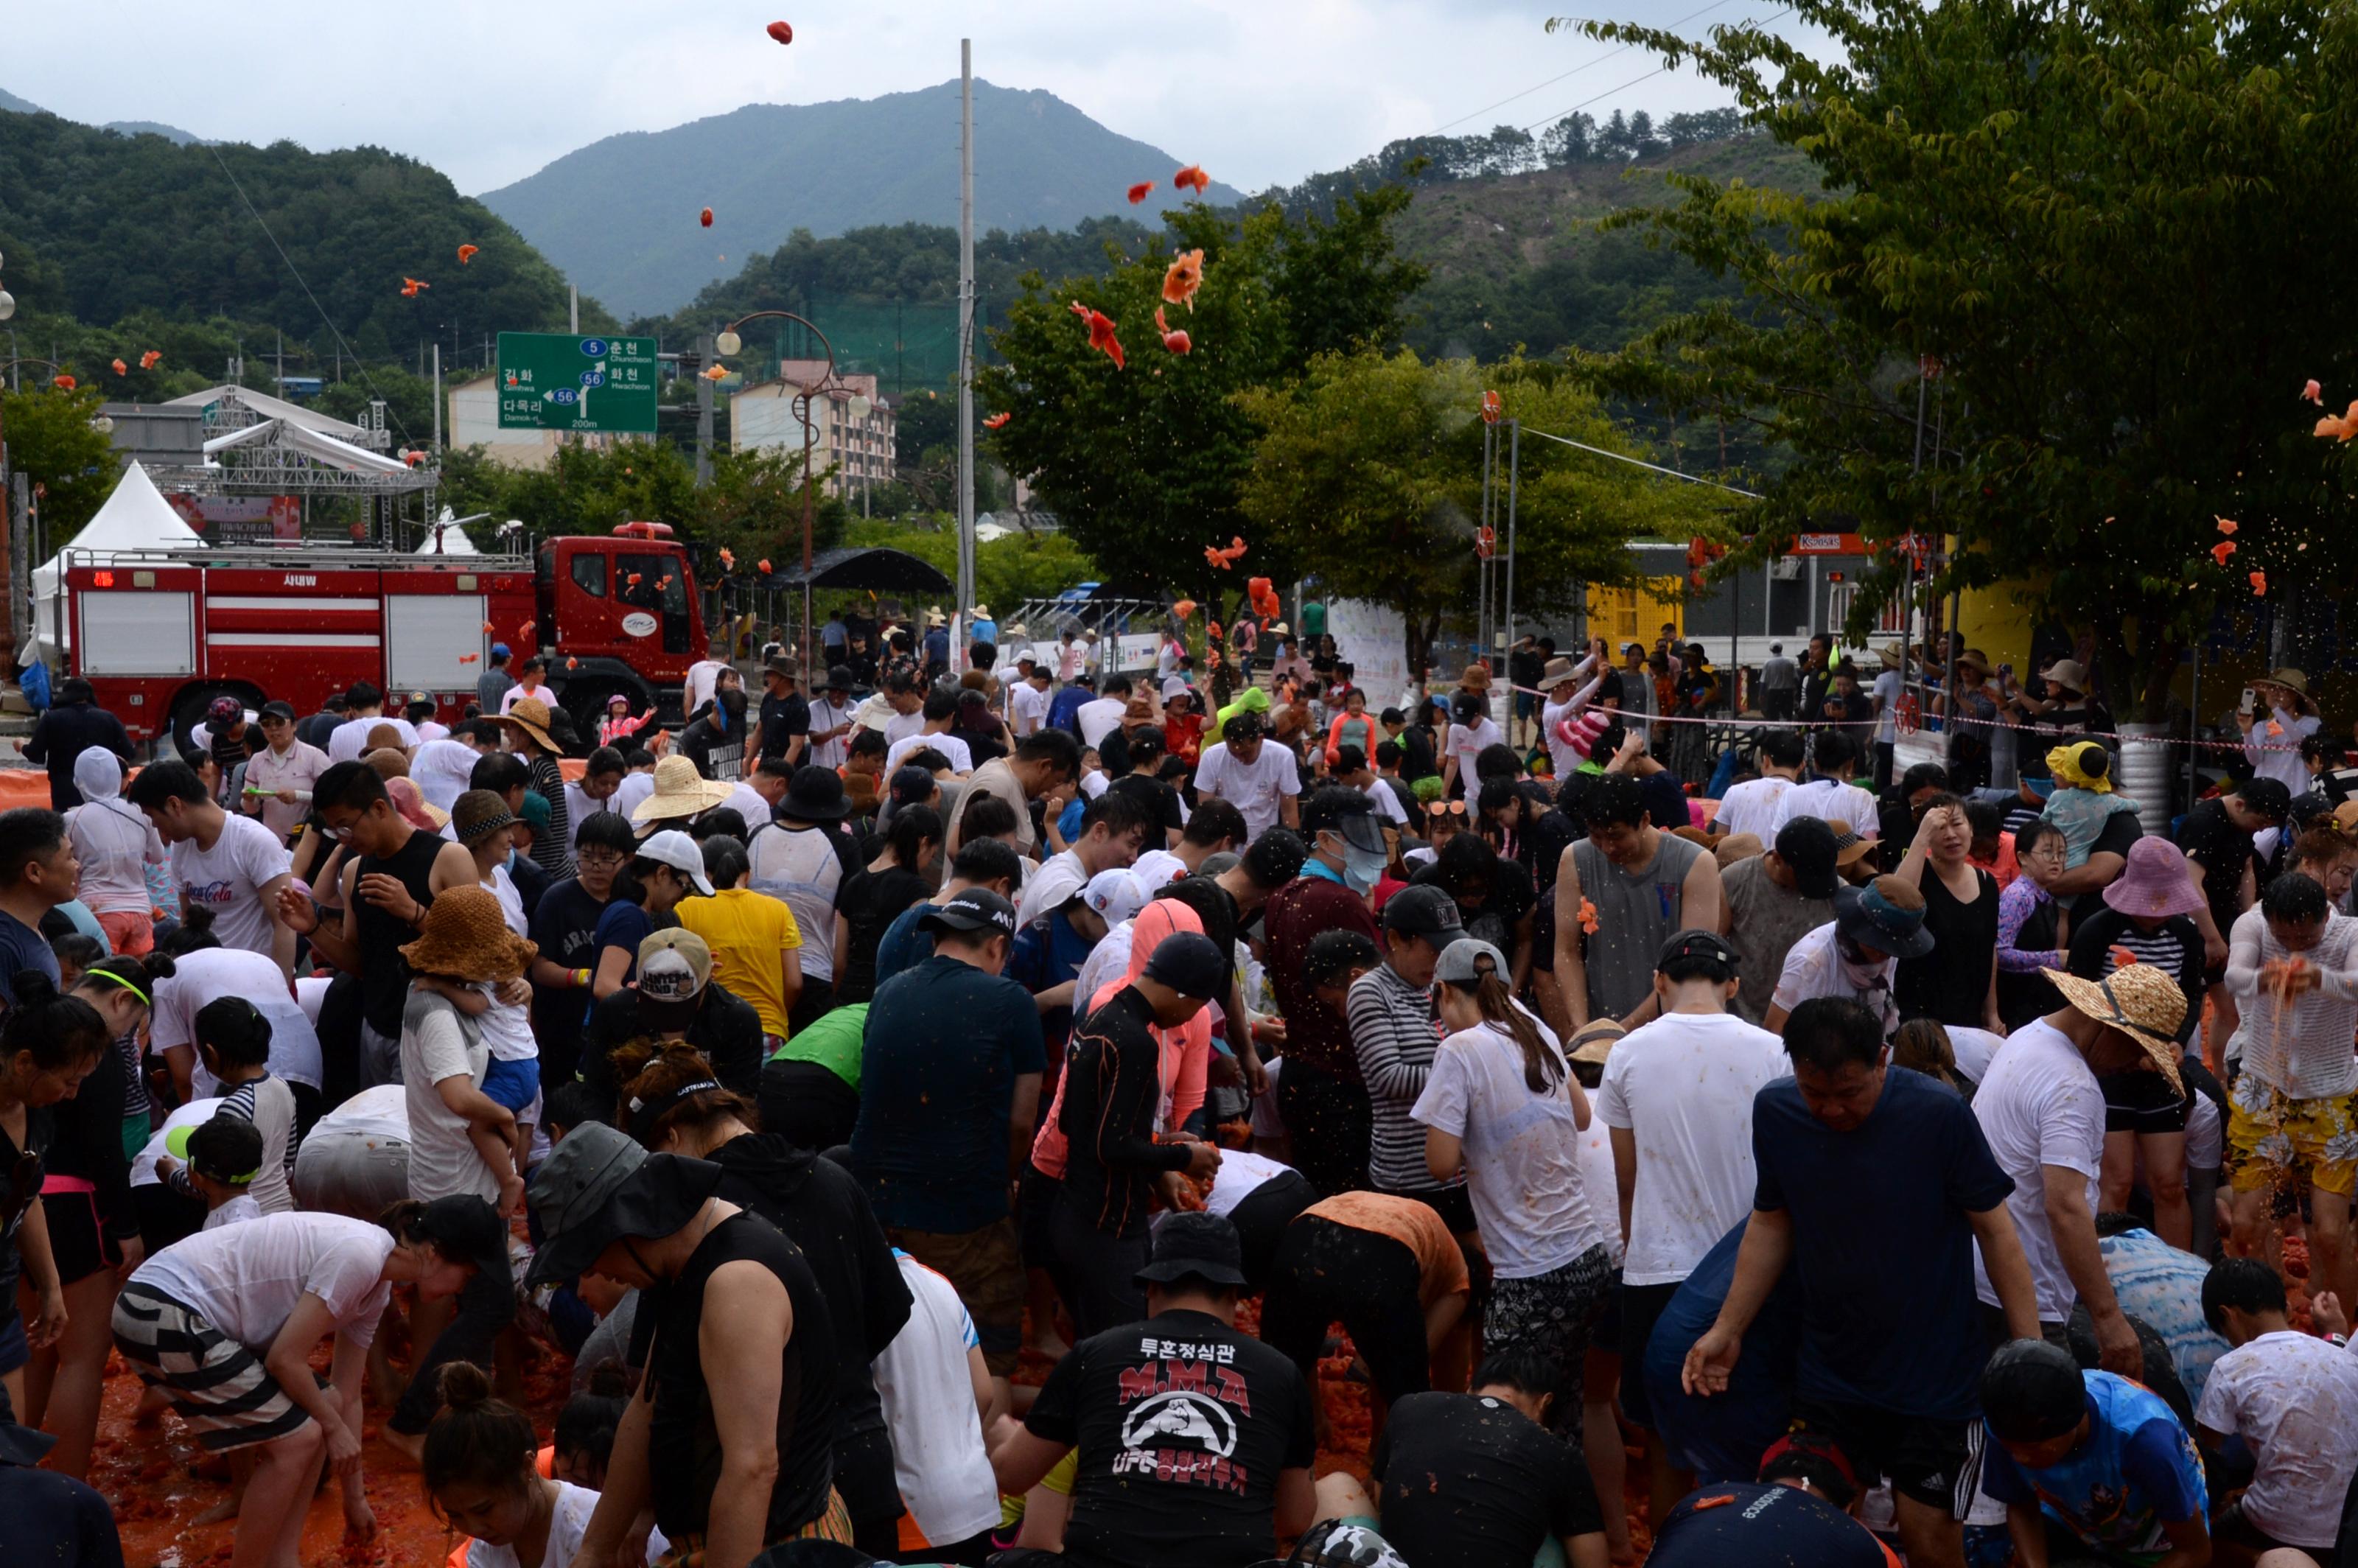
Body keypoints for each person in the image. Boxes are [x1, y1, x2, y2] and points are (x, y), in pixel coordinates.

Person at [1684, 996, 2043, 1568]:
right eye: (1814, 1092)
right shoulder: (1777, 1113)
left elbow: (1995, 1232)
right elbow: (1772, 1220)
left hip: (1935, 1381)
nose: (1829, 1109)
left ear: (1882, 1060)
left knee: (1928, 1541)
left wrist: (2028, 1355)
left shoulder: (1938, 1114)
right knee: (1798, 1519)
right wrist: (1728, 1328)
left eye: (1848, 1092)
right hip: (1831, 1371)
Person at [616, 1046, 915, 1558]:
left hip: (762, 1507)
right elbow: (888, 1314)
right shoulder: (835, 1180)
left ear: (669, 1139)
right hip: (861, 1467)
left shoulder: (693, 1225)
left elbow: (656, 1389)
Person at [114, 1198, 505, 1568]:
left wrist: (355, 1499)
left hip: (171, 1312)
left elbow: (347, 1396)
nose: (462, 1289)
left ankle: (283, 1559)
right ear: (437, 1253)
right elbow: (285, 1358)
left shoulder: (376, 1284)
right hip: (158, 1309)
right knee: (298, 1438)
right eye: (467, 1275)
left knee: (326, 1406)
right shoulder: (362, 1256)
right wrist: (332, 1430)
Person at [527, 1124, 849, 1566]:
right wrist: (597, 1547)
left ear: (625, 1225)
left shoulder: (735, 1283)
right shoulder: (680, 1261)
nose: (597, 1271)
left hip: (773, 1548)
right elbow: (649, 1405)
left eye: (589, 1255)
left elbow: (752, 1469)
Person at [987, 1211, 1317, 1568]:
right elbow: (1295, 1518)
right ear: (1234, 1294)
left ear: (1153, 1287)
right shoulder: (1280, 1372)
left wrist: (1006, 1434)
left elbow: (1012, 1475)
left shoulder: (1096, 1354)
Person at [1596, 930, 1791, 1516]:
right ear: (1733, 985)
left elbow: (1626, 1180)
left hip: (1658, 1269)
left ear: (1659, 984)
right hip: (1751, 1271)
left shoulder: (1627, 1053)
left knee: (1665, 1438)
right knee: (1757, 1432)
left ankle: (1671, 1549)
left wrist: (1637, 1251)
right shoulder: (1772, 1051)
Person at [850, 888, 1044, 1392]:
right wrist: (1006, 1180)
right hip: (964, 1211)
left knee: (893, 1340)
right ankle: (981, 1450)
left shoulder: (888, 991)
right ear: (999, 946)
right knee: (989, 1340)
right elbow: (1023, 1119)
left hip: (879, 1206)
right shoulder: (1011, 1001)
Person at [1052, 930, 1227, 1338]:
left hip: (1072, 1210)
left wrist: (1165, 1143)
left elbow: (1074, 1123)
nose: (1190, 1019)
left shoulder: (1098, 1016)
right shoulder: (1135, 1043)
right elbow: (1111, 1146)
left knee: (1091, 1341)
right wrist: (1184, 1159)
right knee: (1123, 1351)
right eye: (1198, 1007)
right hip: (1107, 1227)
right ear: (1184, 995)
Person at [275, 761, 479, 1085]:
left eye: (346, 826)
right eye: (334, 831)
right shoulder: (356, 869)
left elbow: (476, 954)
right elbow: (360, 964)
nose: (343, 838)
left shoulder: (448, 858)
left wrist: (415, 912)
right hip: (375, 1029)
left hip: (435, 1029)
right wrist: (313, 929)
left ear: (379, 808)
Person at [1342, 1345, 1610, 1568]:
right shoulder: (1559, 1452)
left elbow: (1383, 1499)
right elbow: (1593, 1562)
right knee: (1552, 1543)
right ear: (1544, 1403)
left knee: (1338, 1485)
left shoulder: (1409, 1406)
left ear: (1471, 1389)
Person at [2225, 869, 2358, 1312]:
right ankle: (2269, 1316)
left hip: (2333, 1098)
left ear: (2325, 917)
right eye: (2285, 937)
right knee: (2245, 1226)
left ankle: (2329, 1327)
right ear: (2269, 918)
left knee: (2331, 1235)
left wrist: (2317, 976)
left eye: (2305, 936)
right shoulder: (2253, 924)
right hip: (2263, 1091)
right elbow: (2235, 978)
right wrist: (2271, 975)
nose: (2294, 945)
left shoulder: (2350, 933)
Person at [1977, 1337, 2210, 1568]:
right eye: (2010, 1447)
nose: (2020, 1459)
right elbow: (2022, 1506)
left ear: (2074, 1422)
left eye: (2033, 1449)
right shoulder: (2004, 1426)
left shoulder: (2142, 1440)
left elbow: (2194, 1551)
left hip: (2161, 1539)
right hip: (2079, 1524)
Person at [422, 1360, 669, 1568]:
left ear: (528, 1467)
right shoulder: (488, 1547)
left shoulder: (583, 1531)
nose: (474, 1528)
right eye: (455, 1515)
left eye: (484, 1510)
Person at [1556, 771, 1723, 1028]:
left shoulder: (1694, 864)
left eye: (1616, 836)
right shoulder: (1576, 858)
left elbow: (1690, 964)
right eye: (1596, 836)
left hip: (1674, 1026)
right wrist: (1584, 1028)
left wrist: (1625, 1030)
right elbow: (1567, 952)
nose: (1607, 847)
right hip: (1602, 1020)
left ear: (1645, 820)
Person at [128, 760, 298, 976]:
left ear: (174, 805)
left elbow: (284, 926)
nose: (153, 825)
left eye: (153, 816)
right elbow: (187, 923)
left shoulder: (254, 841)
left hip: (257, 978)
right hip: (209, 980)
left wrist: (276, 990)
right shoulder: (182, 848)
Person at [578, 928, 766, 1113]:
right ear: (638, 986)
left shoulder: (735, 1018)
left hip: (710, 1127)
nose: (668, 1021)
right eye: (657, 1005)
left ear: (707, 980)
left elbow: (742, 1105)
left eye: (679, 1007)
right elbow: (597, 1095)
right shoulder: (617, 1011)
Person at [1762, 875, 1934, 1037]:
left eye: (1892, 947)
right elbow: (1775, 1032)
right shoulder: (1812, 961)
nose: (1885, 954)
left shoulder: (1889, 951)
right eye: (1878, 943)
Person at [676, 836, 802, 1048]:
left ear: (704, 875)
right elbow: (794, 983)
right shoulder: (778, 910)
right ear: (748, 874)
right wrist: (776, 1011)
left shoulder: (686, 909)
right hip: (766, 1028)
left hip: (706, 1029)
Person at [1892, 794, 2002, 1029]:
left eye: (1957, 824)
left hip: (1969, 1014)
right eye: (1940, 828)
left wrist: (1991, 1012)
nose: (1950, 835)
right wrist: (1921, 837)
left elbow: (1989, 948)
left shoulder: (1987, 882)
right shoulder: (1917, 874)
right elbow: (1897, 902)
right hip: (1919, 1016)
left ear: (1971, 829)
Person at [1718, 817, 1841, 1024]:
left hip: (1809, 1025)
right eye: (1805, 876)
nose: (1813, 884)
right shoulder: (1736, 880)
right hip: (1743, 1019)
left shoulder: (1835, 892)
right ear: (1777, 859)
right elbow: (1716, 947)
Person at [946, 728, 1082, 862]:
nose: (1052, 787)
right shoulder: (996, 784)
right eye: (1057, 780)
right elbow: (956, 850)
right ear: (1044, 766)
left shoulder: (1013, 783)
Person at [22, 679, 132, 813]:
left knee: (67, 829)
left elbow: (36, 756)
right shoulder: (108, 718)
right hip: (104, 793)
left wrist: (22, 746)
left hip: (65, 792)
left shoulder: (52, 719)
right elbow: (128, 752)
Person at [1193, 710, 1302, 842]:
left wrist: (1291, 843)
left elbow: (1289, 811)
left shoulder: (1282, 756)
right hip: (1225, 838)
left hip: (1264, 837)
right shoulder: (1212, 756)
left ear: (1260, 739)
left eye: (1246, 753)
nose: (1240, 759)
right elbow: (1206, 809)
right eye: (1234, 753)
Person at [241, 701, 329, 843]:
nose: (274, 729)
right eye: (266, 724)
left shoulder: (314, 756)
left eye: (280, 722)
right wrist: (249, 799)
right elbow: (251, 809)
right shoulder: (257, 760)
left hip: (307, 841)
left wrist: (298, 796)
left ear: (294, 726)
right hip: (271, 841)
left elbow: (331, 797)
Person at [1716, 729, 1807, 843]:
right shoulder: (1806, 799)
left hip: (1739, 860)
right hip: (1782, 861)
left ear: (1766, 761)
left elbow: (1719, 842)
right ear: (1802, 765)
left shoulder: (1735, 792)